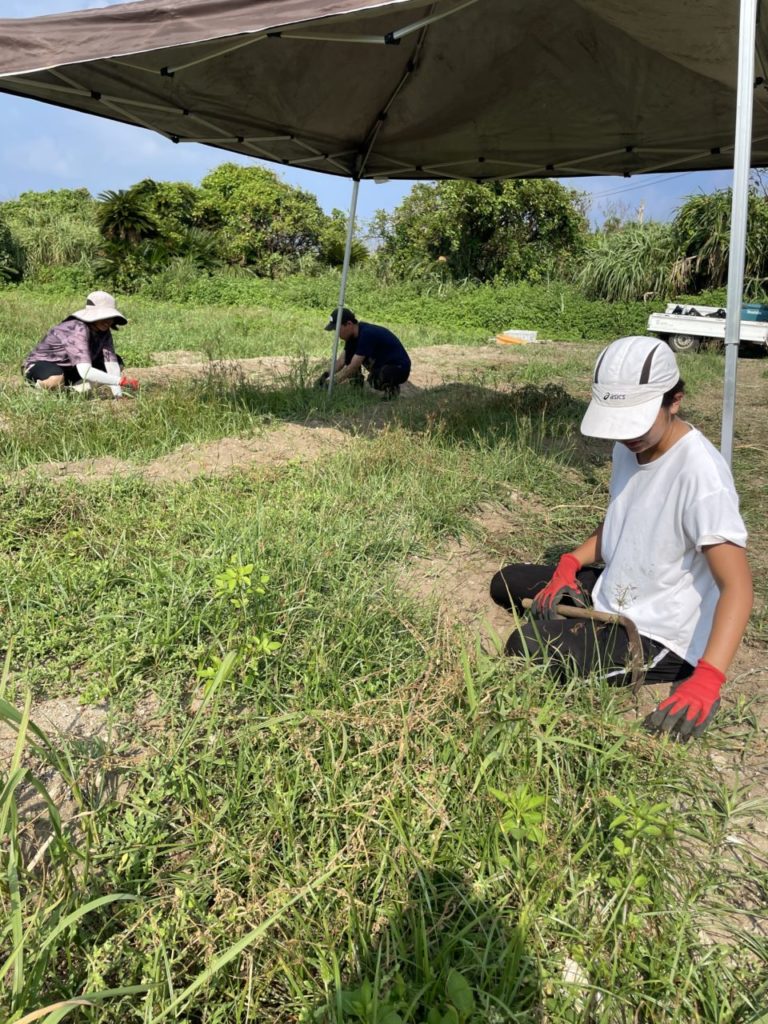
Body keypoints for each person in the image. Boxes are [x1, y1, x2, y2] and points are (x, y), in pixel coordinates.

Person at [490, 335, 753, 742]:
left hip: (659, 629)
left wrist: (708, 678)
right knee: (506, 582)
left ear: (675, 401)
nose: (627, 434)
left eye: (636, 420)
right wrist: (571, 562)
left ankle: (644, 653)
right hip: (623, 586)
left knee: (527, 646)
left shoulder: (701, 476)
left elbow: (737, 586)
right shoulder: (629, 447)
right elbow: (624, 520)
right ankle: (586, 611)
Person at [22, 290, 139, 398]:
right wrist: (121, 381)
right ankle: (38, 388)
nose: (108, 321)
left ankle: (71, 392)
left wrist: (118, 395)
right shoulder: (77, 328)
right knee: (55, 380)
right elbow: (85, 371)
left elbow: (111, 365)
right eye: (104, 316)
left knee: (118, 362)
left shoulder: (104, 332)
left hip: (71, 368)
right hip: (42, 366)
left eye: (111, 317)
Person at [318, 307, 411, 398]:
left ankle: (392, 390)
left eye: (337, 329)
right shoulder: (352, 337)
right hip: (382, 367)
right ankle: (356, 390)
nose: (337, 334)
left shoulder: (367, 334)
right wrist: (326, 375)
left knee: (375, 380)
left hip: (399, 367)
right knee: (350, 359)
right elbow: (341, 361)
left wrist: (332, 382)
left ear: (349, 324)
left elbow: (353, 366)